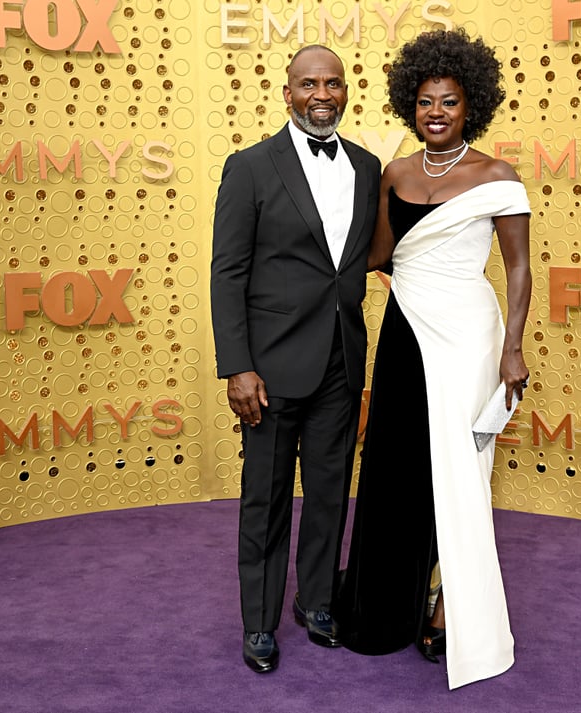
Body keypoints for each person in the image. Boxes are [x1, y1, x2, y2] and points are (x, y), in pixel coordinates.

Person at [337, 29, 532, 689]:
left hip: (471, 336)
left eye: (449, 100)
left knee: (464, 469)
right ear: (409, 106)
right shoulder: (397, 173)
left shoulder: (498, 176)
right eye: (425, 102)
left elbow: (519, 269)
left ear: (469, 104)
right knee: (394, 464)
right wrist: (313, 251)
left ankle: (452, 603)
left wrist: (512, 349)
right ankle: (386, 604)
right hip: (405, 330)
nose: (437, 112)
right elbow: (380, 255)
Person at [210, 45, 381, 674]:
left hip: (341, 360)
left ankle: (316, 602)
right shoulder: (250, 167)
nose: (322, 95)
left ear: (346, 91)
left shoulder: (368, 167)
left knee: (332, 494)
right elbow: (227, 273)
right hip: (271, 368)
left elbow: (372, 257)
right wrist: (237, 365)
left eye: (333, 84)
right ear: (287, 93)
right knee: (267, 499)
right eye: (309, 84)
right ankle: (259, 622)